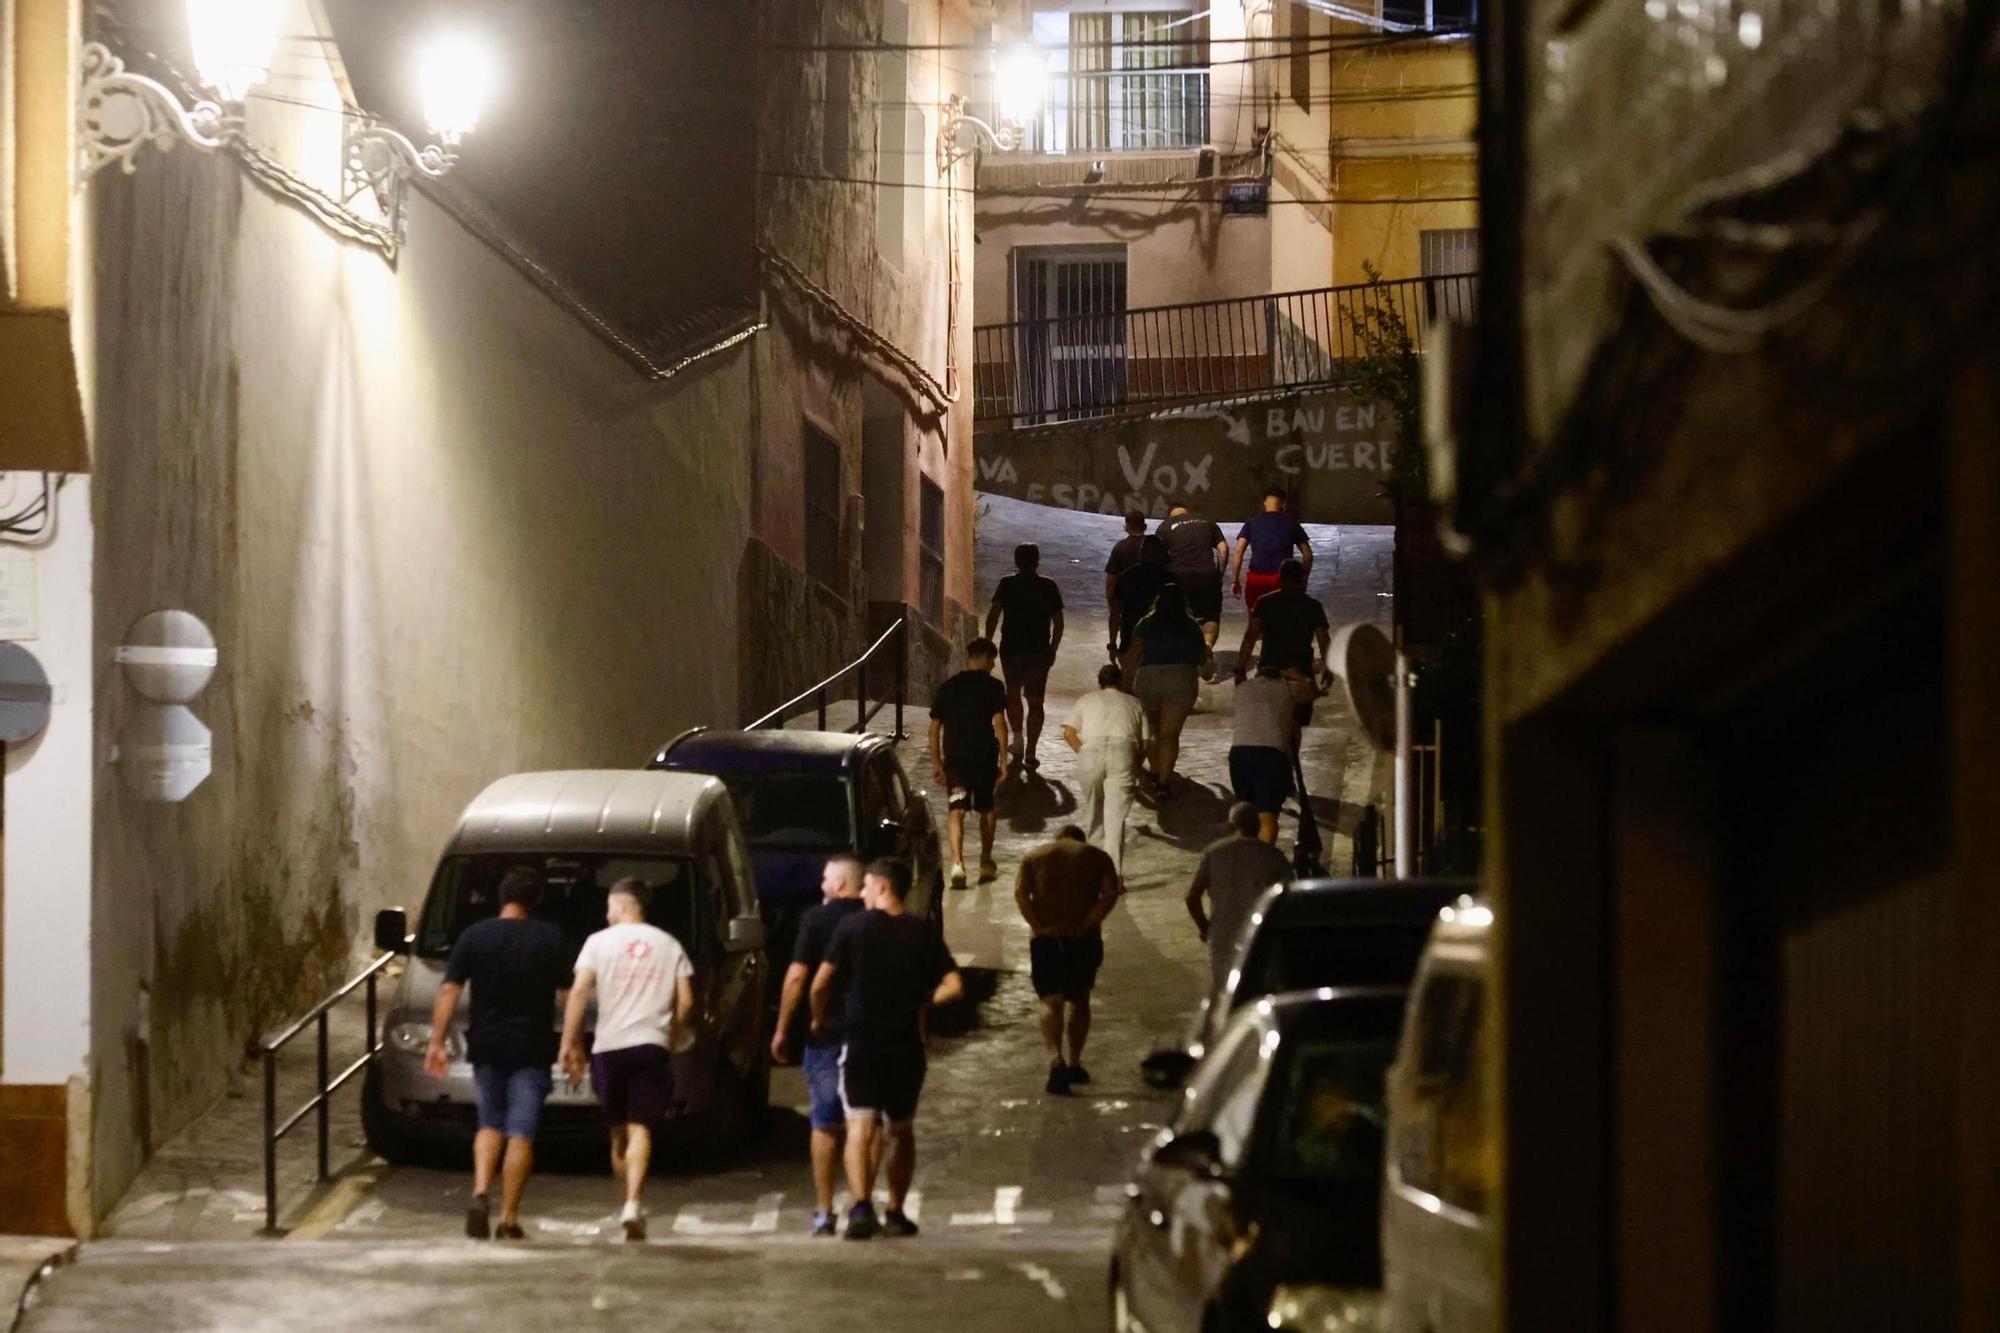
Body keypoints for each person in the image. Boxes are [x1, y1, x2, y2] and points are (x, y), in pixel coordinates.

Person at [811, 860, 965, 1240]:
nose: (862, 895)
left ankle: (861, 1207)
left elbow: (820, 984)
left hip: (862, 1042)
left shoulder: (852, 928)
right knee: (901, 1130)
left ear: (881, 887)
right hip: (905, 1048)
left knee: (860, 1126)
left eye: (865, 888)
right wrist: (923, 1002)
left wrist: (817, 1019)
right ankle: (896, 1211)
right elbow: (955, 985)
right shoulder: (923, 933)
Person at [428, 865, 571, 1241]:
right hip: (532, 1047)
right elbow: (569, 995)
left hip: (486, 1045)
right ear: (536, 899)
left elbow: (449, 991)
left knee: (488, 1123)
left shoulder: (475, 936)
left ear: (501, 896)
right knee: (520, 1132)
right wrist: (573, 1043)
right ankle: (508, 1218)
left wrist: (436, 1042)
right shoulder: (549, 938)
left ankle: (479, 1192)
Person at [559, 878, 695, 1243]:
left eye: (608, 907)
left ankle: (627, 1203)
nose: (606, 914)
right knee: (641, 1128)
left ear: (621, 906)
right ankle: (634, 1202)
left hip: (609, 1046)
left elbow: (579, 993)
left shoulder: (597, 943)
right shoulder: (669, 944)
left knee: (618, 1130)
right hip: (651, 1045)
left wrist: (570, 1042)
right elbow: (686, 1000)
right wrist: (672, 1032)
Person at [769, 854, 869, 1236]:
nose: (822, 885)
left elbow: (797, 978)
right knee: (864, 1122)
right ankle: (862, 1203)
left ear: (841, 883)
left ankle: (825, 1210)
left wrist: (781, 1029)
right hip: (867, 1037)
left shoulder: (815, 919)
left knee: (825, 1123)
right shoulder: (876, 920)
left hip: (826, 1036)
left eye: (826, 879)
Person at [1014, 826, 1122, 1094]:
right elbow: (1109, 894)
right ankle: (1075, 1060)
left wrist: (1037, 925)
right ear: (1080, 839)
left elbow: (1020, 894)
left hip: (1045, 938)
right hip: (1083, 938)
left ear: (1058, 838)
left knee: (1051, 1001)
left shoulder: (1034, 856)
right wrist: (1088, 922)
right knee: (1080, 999)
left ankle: (1056, 1059)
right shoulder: (1097, 857)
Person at [928, 638, 1009, 887]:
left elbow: (933, 729)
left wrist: (937, 763)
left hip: (956, 757)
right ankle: (985, 861)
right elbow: (1000, 724)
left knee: (956, 810)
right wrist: (1004, 760)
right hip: (984, 755)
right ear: (982, 657)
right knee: (986, 807)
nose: (993, 664)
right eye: (991, 659)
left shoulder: (948, 686)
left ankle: (957, 864)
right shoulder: (995, 687)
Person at [1186, 803, 1294, 989]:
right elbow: (1291, 898)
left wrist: (1205, 928)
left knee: (1226, 992)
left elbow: (1192, 897)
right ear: (1258, 827)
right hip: (1261, 935)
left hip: (1224, 935)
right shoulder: (1273, 856)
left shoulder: (1214, 852)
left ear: (1231, 826)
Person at [1061, 663, 1148, 878]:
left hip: (1091, 752)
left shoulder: (1086, 700)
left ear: (1100, 683)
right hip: (1122, 752)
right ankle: (1113, 876)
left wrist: (1084, 753)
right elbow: (1146, 742)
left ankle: (1092, 871)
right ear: (1121, 682)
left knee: (1093, 814)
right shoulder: (1135, 703)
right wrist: (1135, 765)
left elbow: (1069, 733)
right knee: (1115, 818)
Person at [985, 543, 1065, 772]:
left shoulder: (1007, 584)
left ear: (1016, 561)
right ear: (1037, 561)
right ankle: (1031, 751)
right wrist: (1053, 648)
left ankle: (1018, 739)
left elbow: (993, 615)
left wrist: (988, 641)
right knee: (1035, 700)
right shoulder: (1048, 586)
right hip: (1039, 651)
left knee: (1012, 692)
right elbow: (1058, 623)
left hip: (1011, 648)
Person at [1121, 583, 1206, 792]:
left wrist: (1124, 687)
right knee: (1170, 734)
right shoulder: (1191, 626)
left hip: (1149, 678)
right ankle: (1164, 780)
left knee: (1152, 730)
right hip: (1181, 678)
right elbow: (1201, 658)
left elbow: (1132, 658)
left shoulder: (1146, 623)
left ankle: (1156, 768)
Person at [1234, 558, 1332, 700]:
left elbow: (1250, 637)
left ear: (1280, 581)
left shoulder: (1264, 603)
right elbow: (1324, 640)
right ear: (1304, 582)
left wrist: (1240, 668)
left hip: (1270, 671)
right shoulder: (1313, 606)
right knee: (1302, 716)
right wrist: (1328, 667)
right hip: (1302, 670)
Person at [1230, 666, 1302, 843]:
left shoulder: (1242, 689)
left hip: (1239, 752)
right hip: (1271, 753)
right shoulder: (1288, 688)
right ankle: (1263, 859)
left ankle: (1245, 856)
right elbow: (1313, 692)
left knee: (1245, 812)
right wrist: (1297, 677)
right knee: (1267, 814)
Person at [1156, 503, 1228, 678]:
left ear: (1170, 514)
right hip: (1207, 574)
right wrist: (1219, 573)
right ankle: (1207, 646)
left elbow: (1158, 556)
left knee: (1182, 616)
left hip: (1179, 577)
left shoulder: (1165, 526)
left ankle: (1186, 658)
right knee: (1210, 616)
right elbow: (1223, 548)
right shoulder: (1207, 520)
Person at [1231, 487, 1313, 611]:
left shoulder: (1252, 523)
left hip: (1256, 579)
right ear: (1283, 504)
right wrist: (1303, 579)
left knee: (1255, 619)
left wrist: (1235, 580)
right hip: (1282, 581)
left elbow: (1238, 551)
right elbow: (1307, 554)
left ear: (1264, 502)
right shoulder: (1292, 523)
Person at [1110, 534, 1178, 660]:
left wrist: (1112, 644)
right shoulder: (1172, 579)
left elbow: (1115, 613)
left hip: (1130, 639)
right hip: (1162, 643)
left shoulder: (1127, 576)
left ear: (1142, 553)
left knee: (1129, 677)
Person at [1103, 511, 1149, 662]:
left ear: (1126, 526)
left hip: (1128, 611)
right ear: (1145, 526)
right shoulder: (1154, 546)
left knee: (1128, 657)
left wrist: (1112, 643)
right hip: (1151, 610)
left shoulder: (1120, 548)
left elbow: (1111, 583)